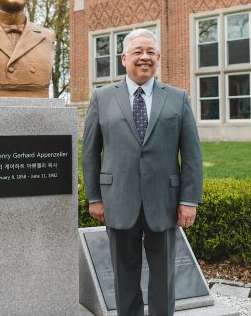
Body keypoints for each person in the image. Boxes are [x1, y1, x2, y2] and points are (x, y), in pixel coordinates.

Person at [82, 29, 203, 316]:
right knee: (124, 275)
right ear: (124, 58)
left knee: (163, 277)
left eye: (151, 52)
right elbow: (89, 153)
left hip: (165, 202)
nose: (145, 57)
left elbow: (192, 154)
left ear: (158, 58)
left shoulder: (177, 98)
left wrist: (189, 200)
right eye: (138, 52)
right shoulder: (101, 97)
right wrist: (94, 197)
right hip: (118, 200)